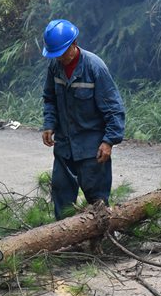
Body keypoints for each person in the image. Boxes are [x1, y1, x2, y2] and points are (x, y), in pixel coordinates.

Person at [40, 19, 126, 219]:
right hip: (65, 144)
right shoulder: (55, 67)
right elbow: (49, 98)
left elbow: (114, 108)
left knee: (97, 200)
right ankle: (65, 242)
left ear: (74, 44)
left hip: (91, 147)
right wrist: (49, 124)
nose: (59, 58)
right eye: (55, 54)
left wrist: (109, 141)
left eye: (61, 53)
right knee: (61, 194)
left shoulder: (95, 67)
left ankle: (102, 240)